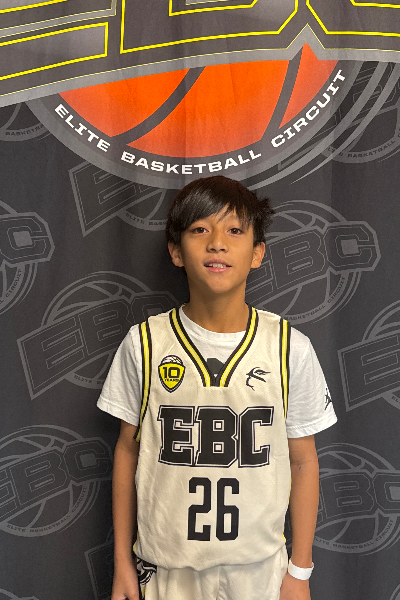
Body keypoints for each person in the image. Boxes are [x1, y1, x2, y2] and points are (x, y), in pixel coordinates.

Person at [97, 175, 337, 600]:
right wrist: (121, 563)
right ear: (176, 251)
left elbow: (303, 462)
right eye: (199, 229)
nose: (217, 244)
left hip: (259, 572)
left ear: (257, 252)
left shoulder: (288, 348)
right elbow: (128, 452)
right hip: (168, 569)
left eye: (235, 230)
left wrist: (300, 571)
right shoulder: (145, 344)